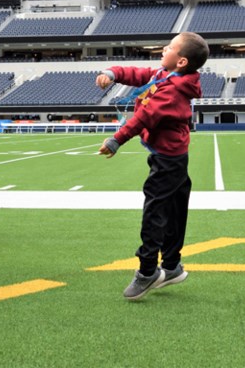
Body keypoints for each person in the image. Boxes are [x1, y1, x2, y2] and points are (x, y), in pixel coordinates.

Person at [96, 31, 209, 301]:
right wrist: (113, 73)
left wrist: (115, 140)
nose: (163, 49)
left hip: (168, 160)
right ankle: (171, 266)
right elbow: (139, 74)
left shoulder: (172, 92)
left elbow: (143, 117)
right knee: (173, 210)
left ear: (181, 61)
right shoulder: (166, 76)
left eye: (169, 47)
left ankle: (148, 271)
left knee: (155, 213)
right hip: (173, 156)